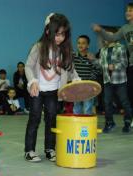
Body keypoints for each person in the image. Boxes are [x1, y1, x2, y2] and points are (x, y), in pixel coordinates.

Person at [24, 13, 80, 162]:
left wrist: (76, 79)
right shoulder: (38, 47)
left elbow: (70, 69)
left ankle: (50, 148)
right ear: (48, 31)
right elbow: (28, 66)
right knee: (34, 119)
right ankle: (29, 150)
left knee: (52, 119)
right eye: (57, 34)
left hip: (54, 92)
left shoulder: (65, 51)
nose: (60, 37)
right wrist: (32, 81)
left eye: (63, 34)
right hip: (37, 91)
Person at [92, 2, 133, 125]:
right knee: (130, 93)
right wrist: (101, 31)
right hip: (131, 64)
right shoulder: (125, 28)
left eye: (131, 10)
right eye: (127, 10)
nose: (127, 12)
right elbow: (112, 38)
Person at [73, 35, 100, 115]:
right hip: (76, 86)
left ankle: (86, 126)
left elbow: (97, 70)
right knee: (77, 107)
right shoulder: (73, 56)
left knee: (88, 107)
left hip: (88, 87)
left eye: (83, 43)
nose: (80, 45)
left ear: (88, 45)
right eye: (79, 43)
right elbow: (70, 70)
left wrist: (90, 81)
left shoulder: (91, 57)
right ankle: (77, 125)